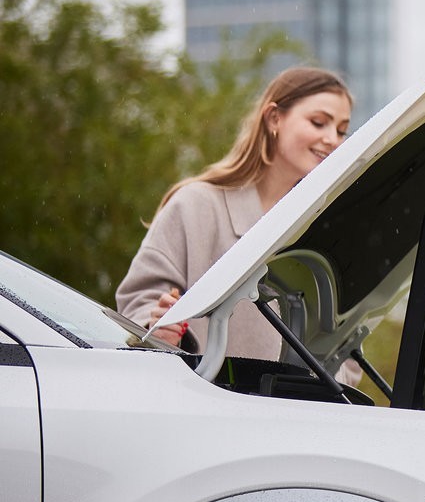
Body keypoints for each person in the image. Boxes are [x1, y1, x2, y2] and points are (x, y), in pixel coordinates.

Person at [117, 66, 352, 360]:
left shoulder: (328, 230)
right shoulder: (194, 206)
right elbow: (137, 304)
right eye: (319, 122)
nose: (333, 139)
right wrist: (159, 328)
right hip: (197, 400)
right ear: (274, 118)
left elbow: (348, 339)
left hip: (296, 406)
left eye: (342, 130)